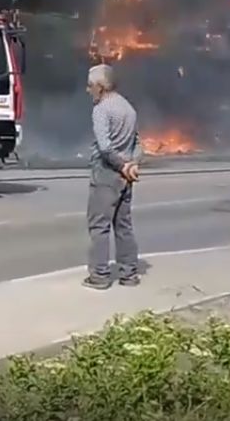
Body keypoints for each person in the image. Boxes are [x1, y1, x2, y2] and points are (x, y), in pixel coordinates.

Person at [83, 64, 144, 290]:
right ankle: (129, 274)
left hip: (106, 173)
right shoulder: (128, 108)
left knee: (99, 226)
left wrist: (122, 166)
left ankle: (99, 275)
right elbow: (138, 143)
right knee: (124, 225)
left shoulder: (101, 109)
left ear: (100, 86)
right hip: (125, 178)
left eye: (90, 86)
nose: (88, 90)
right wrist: (132, 165)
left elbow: (105, 148)